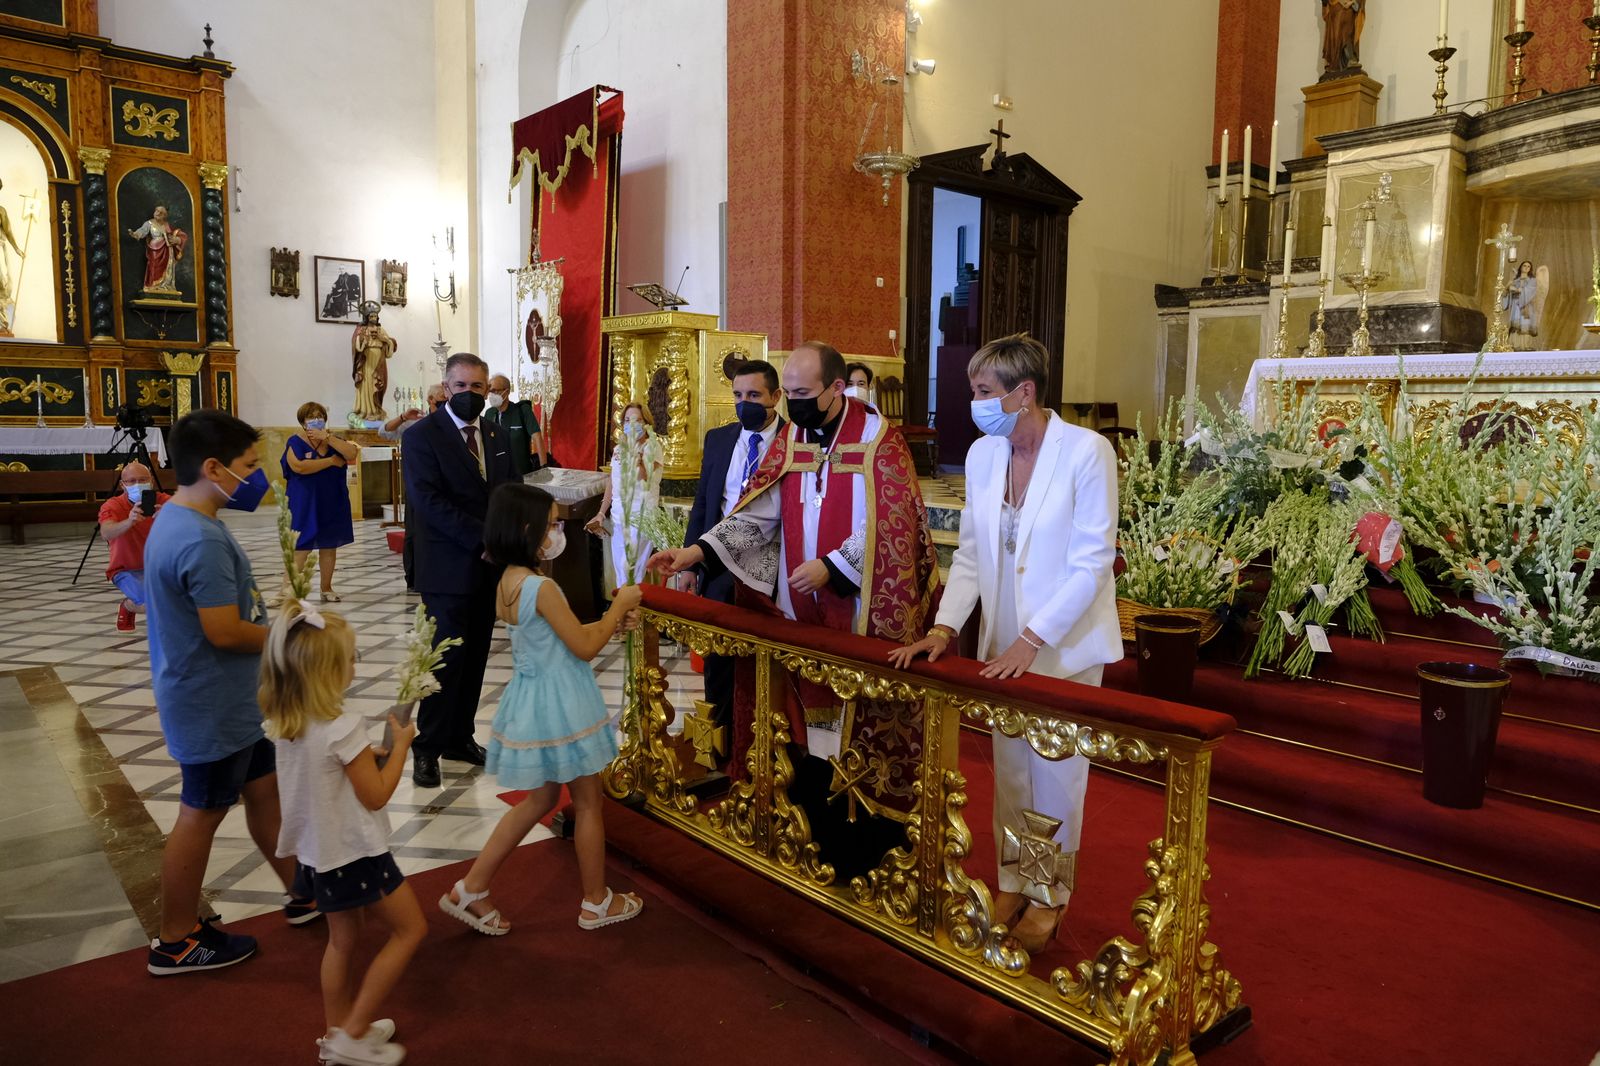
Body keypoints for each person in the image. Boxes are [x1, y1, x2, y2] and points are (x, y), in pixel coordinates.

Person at [648, 342, 939, 873]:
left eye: (803, 394)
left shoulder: (879, 440)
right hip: (796, 615)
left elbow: (895, 527)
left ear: (836, 389)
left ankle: (866, 846)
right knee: (807, 729)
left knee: (853, 726)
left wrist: (833, 566)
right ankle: (812, 832)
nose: (796, 406)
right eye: (793, 393)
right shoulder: (794, 439)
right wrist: (693, 552)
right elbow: (758, 515)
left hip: (855, 615)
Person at [889, 332, 1121, 956]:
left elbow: (1093, 560)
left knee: (1055, 778)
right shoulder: (987, 456)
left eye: (984, 391)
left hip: (1062, 646)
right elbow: (970, 555)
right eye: (974, 391)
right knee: (1013, 775)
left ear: (1025, 392)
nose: (975, 403)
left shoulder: (1086, 452)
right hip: (1000, 645)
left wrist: (1032, 638)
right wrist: (945, 626)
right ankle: (1015, 882)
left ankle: (1050, 895)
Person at [143, 409, 319, 977]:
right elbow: (222, 631)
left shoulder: (183, 518)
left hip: (225, 699)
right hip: (210, 702)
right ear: (214, 467)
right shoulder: (198, 537)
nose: (256, 476)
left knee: (264, 792)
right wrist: (289, 635)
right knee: (202, 812)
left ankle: (303, 891)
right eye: (248, 466)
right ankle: (176, 939)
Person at [439, 483, 644, 936]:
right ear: (527, 529)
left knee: (542, 799)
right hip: (564, 701)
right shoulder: (543, 585)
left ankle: (471, 888)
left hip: (534, 696)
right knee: (588, 802)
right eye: (552, 523)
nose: (558, 531)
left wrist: (607, 623)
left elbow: (558, 636)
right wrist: (619, 607)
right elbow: (584, 646)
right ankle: (596, 902)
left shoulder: (508, 580)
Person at [262, 600, 425, 1066]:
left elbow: (326, 771)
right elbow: (375, 796)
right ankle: (351, 1034)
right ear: (329, 671)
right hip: (357, 854)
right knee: (410, 930)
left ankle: (336, 1034)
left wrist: (365, 753)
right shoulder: (343, 726)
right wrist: (400, 749)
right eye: (351, 658)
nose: (357, 665)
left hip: (318, 855)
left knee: (342, 941)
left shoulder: (288, 723)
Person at [400, 352, 515, 788]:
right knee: (445, 658)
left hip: (490, 567)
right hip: (447, 564)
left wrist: (516, 535)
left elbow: (510, 489)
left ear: (488, 391)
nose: (470, 394)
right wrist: (481, 540)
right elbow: (428, 502)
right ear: (446, 388)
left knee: (476, 656)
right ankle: (427, 747)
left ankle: (460, 737)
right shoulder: (422, 437)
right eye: (462, 387)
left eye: (478, 388)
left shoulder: (496, 432)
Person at [680, 360, 784, 736]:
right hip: (716, 562)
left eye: (754, 395)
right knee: (718, 658)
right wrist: (691, 564)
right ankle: (719, 741)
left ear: (776, 396)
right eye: (738, 395)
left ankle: (761, 740)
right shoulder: (719, 439)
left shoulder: (795, 443)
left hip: (771, 568)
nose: (745, 403)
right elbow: (704, 505)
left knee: (762, 662)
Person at [280, 402, 359, 604]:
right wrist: (330, 462)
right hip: (304, 501)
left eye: (319, 415)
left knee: (329, 544)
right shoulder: (295, 442)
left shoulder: (333, 440)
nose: (316, 419)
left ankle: (326, 588)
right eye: (311, 416)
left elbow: (351, 454)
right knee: (300, 545)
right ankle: (286, 590)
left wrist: (328, 438)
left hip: (331, 500)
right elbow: (299, 467)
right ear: (303, 421)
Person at [586, 402, 662, 588]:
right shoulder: (620, 448)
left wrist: (637, 458)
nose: (631, 424)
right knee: (621, 572)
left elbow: (647, 478)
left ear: (646, 423)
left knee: (632, 572)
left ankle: (630, 612)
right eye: (627, 420)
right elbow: (613, 481)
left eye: (637, 420)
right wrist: (601, 513)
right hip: (619, 517)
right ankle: (626, 613)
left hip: (641, 517)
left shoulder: (653, 447)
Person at [99, 460, 171, 631]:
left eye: (142, 479)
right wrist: (128, 521)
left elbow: (191, 526)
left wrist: (171, 517)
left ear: (152, 481)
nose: (138, 485)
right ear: (123, 485)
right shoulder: (113, 505)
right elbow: (106, 532)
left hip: (160, 567)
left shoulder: (166, 501)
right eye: (131, 481)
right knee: (153, 605)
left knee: (183, 600)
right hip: (126, 569)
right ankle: (129, 606)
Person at [484, 373, 548, 476]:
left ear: (507, 391)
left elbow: (537, 438)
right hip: (497, 475)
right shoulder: (489, 413)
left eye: (495, 391)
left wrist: (544, 468)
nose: (492, 394)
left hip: (521, 474)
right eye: (490, 391)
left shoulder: (522, 411)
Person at [126, 204, 187, 294]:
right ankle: (153, 286)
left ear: (165, 215)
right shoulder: (149, 223)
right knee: (153, 266)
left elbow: (175, 234)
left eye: (160, 212)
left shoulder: (166, 225)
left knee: (167, 269)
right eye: (156, 211)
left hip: (167, 251)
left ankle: (165, 286)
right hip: (155, 249)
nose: (157, 213)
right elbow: (142, 231)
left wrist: (177, 240)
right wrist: (135, 234)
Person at [351, 303, 397, 423]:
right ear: (366, 317)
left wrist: (385, 340)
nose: (373, 318)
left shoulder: (381, 330)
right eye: (371, 316)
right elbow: (357, 346)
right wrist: (363, 343)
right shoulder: (362, 329)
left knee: (376, 385)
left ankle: (376, 410)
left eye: (375, 316)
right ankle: (364, 411)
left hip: (379, 362)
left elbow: (389, 347)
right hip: (366, 361)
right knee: (366, 384)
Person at [379, 385, 447, 442]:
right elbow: (384, 432)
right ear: (431, 399)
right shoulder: (417, 420)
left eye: (448, 398)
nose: (446, 400)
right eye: (443, 397)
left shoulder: (452, 419)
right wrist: (403, 417)